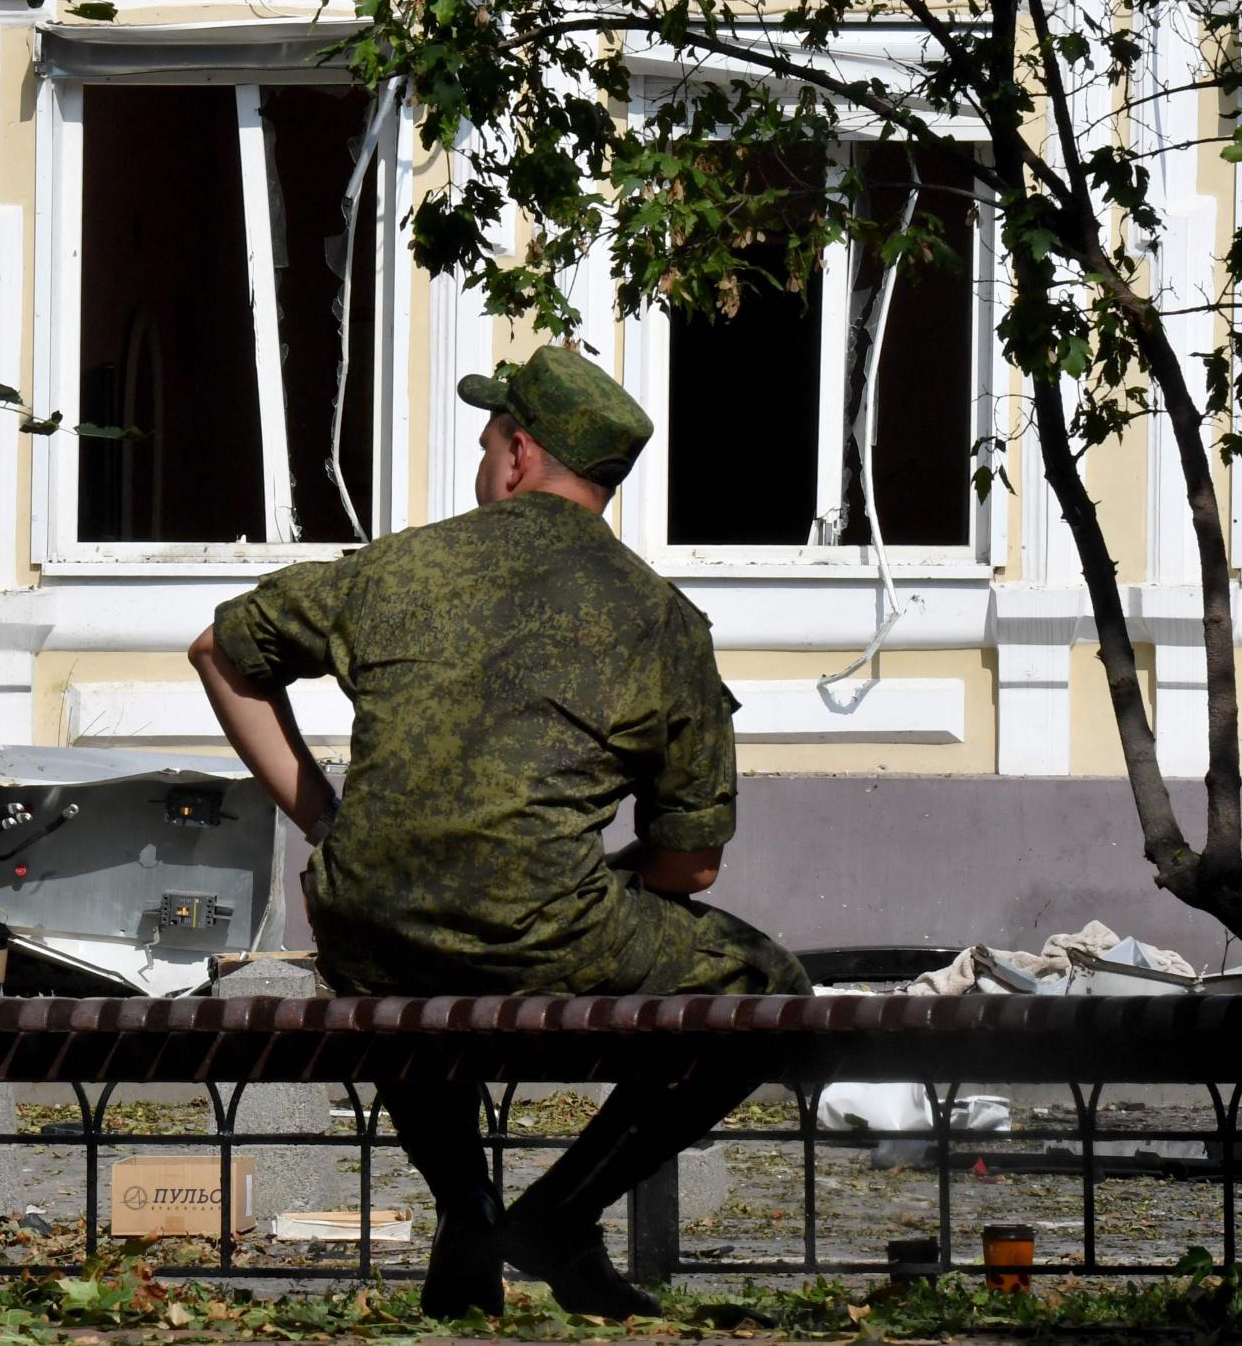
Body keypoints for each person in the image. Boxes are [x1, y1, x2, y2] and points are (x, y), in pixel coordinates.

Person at [188, 346, 810, 1321]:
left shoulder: (399, 565)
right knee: (768, 987)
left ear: (519, 454)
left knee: (409, 939)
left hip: (368, 918)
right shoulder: (659, 619)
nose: (485, 464)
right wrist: (564, 880)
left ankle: (468, 1215)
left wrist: (327, 821)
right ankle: (560, 1211)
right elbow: (690, 862)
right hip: (545, 937)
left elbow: (220, 652)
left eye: (488, 443)